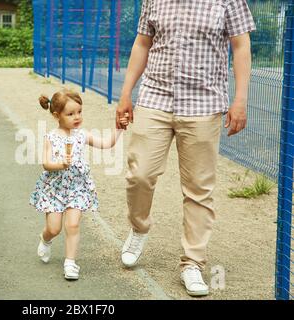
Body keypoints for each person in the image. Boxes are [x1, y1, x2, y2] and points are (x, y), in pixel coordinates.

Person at [116, 0, 255, 296]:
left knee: (198, 189)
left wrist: (240, 100)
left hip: (203, 104)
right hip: (155, 98)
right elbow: (142, 43)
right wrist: (126, 93)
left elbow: (241, 45)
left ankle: (192, 262)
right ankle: (139, 228)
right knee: (138, 174)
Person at [30, 89, 129, 280]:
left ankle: (70, 263)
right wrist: (61, 164)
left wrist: (119, 128)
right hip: (55, 189)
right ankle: (45, 238)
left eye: (79, 112)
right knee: (54, 228)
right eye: (70, 114)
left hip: (77, 187)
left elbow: (107, 143)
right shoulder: (51, 137)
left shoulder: (82, 135)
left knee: (73, 224)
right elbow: (46, 163)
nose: (77, 117)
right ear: (56, 115)